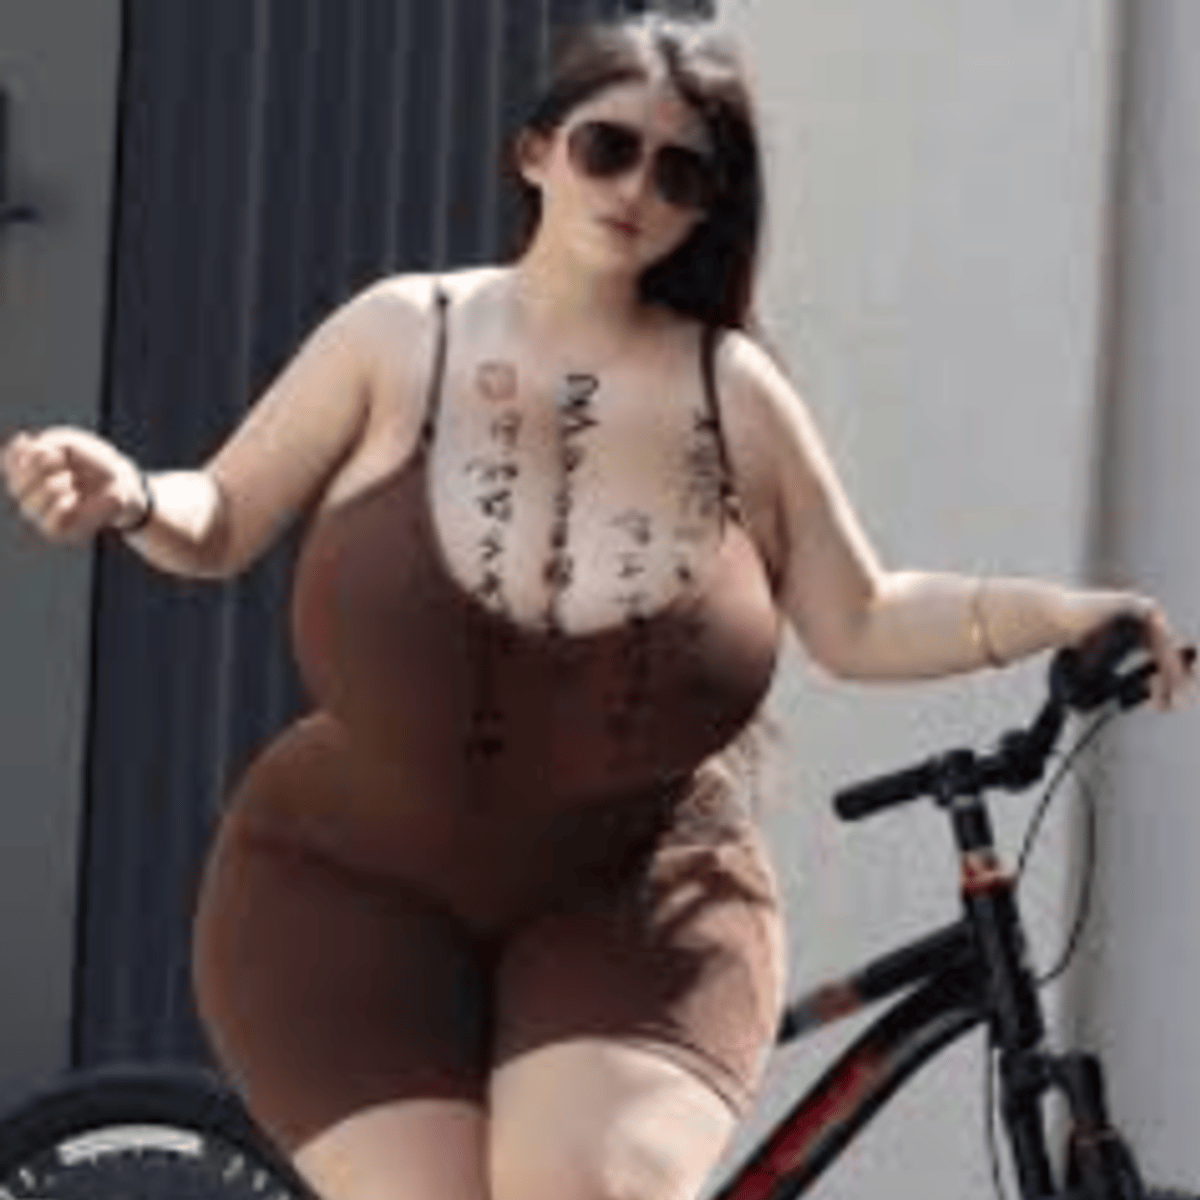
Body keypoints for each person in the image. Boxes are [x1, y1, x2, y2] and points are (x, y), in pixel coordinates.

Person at [2, 13, 1193, 1200]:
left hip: (638, 893)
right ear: (536, 152)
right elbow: (220, 518)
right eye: (608, 147)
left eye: (681, 173)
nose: (636, 189)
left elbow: (863, 617)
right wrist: (131, 493)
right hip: (346, 886)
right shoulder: (400, 333)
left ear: (707, 210)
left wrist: (1062, 612)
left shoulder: (734, 392)